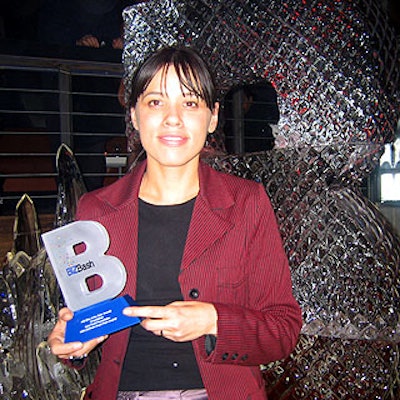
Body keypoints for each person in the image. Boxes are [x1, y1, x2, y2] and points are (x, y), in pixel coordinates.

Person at [47, 46, 302, 400]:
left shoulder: (246, 203)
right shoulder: (97, 210)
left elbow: (283, 328)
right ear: (134, 114)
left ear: (212, 117)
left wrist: (213, 320)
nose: (172, 118)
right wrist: (72, 342)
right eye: (155, 102)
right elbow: (87, 324)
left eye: (190, 103)